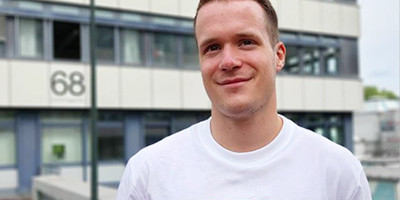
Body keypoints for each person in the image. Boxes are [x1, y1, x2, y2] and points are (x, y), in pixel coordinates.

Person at [117, 0, 372, 199]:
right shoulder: (148, 174)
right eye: (212, 47)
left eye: (246, 42)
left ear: (279, 56)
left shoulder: (338, 172)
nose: (228, 61)